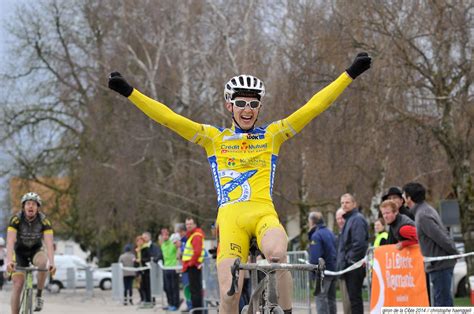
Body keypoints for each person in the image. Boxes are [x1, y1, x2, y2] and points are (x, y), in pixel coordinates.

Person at [108, 52, 371, 313]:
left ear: (259, 108)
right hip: (231, 220)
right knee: (230, 294)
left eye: (253, 104)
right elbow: (168, 118)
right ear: (229, 106)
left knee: (278, 256)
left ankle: (287, 311)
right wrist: (130, 92)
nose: (247, 110)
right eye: (241, 103)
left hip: (263, 214)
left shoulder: (272, 135)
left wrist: (350, 73)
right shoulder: (213, 138)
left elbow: (313, 107)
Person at [402, 182, 458, 307]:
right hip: (438, 265)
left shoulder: (423, 215)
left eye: (404, 195)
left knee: (442, 304)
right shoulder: (423, 210)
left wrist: (455, 252)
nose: (403, 197)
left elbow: (441, 237)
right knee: (442, 302)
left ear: (409, 198)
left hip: (440, 265)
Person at [5, 192, 56, 313]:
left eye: (34, 204)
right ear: (23, 207)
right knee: (18, 285)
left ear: (38, 208)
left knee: (43, 263)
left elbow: (49, 243)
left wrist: (52, 263)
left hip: (35, 251)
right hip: (19, 253)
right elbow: (10, 241)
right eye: (28, 204)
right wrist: (9, 261)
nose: (31, 206)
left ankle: (38, 295)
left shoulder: (44, 221)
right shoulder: (16, 219)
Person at [336, 193, 368, 314]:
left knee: (355, 300)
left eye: (347, 202)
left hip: (354, 266)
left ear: (354, 204)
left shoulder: (357, 219)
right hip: (349, 266)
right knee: (353, 299)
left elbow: (359, 243)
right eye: (342, 203)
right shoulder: (349, 219)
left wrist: (349, 260)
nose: (344, 205)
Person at [308, 212, 337, 314]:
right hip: (332, 270)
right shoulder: (330, 232)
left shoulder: (316, 235)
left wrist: (312, 272)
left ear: (312, 222)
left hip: (322, 272)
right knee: (331, 299)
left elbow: (316, 257)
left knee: (320, 299)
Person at [182, 218, 205, 313]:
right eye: (187, 224)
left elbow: (197, 252)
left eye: (190, 224)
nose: (188, 226)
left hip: (194, 266)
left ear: (195, 225)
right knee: (194, 290)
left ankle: (197, 311)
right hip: (193, 266)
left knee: (195, 291)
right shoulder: (192, 235)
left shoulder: (196, 236)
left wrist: (191, 263)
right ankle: (196, 310)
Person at [335, 208, 351, 314]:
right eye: (338, 219)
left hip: (349, 271)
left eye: (342, 218)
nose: (340, 220)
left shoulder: (349, 232)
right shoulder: (339, 234)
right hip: (341, 272)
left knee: (350, 304)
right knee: (345, 305)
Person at [160, 228, 180, 311]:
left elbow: (179, 249)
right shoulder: (162, 245)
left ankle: (176, 304)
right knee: (167, 287)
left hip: (173, 268)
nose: (165, 236)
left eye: (166, 234)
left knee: (174, 287)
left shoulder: (173, 243)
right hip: (166, 268)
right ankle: (170, 303)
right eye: (163, 235)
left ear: (168, 235)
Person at [134, 235, 153, 308]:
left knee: (147, 285)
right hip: (139, 270)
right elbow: (136, 260)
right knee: (141, 286)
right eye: (138, 241)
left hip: (146, 270)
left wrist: (140, 260)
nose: (139, 242)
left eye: (141, 241)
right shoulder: (137, 250)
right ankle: (143, 299)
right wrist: (136, 261)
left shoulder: (146, 248)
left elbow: (148, 259)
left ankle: (148, 300)